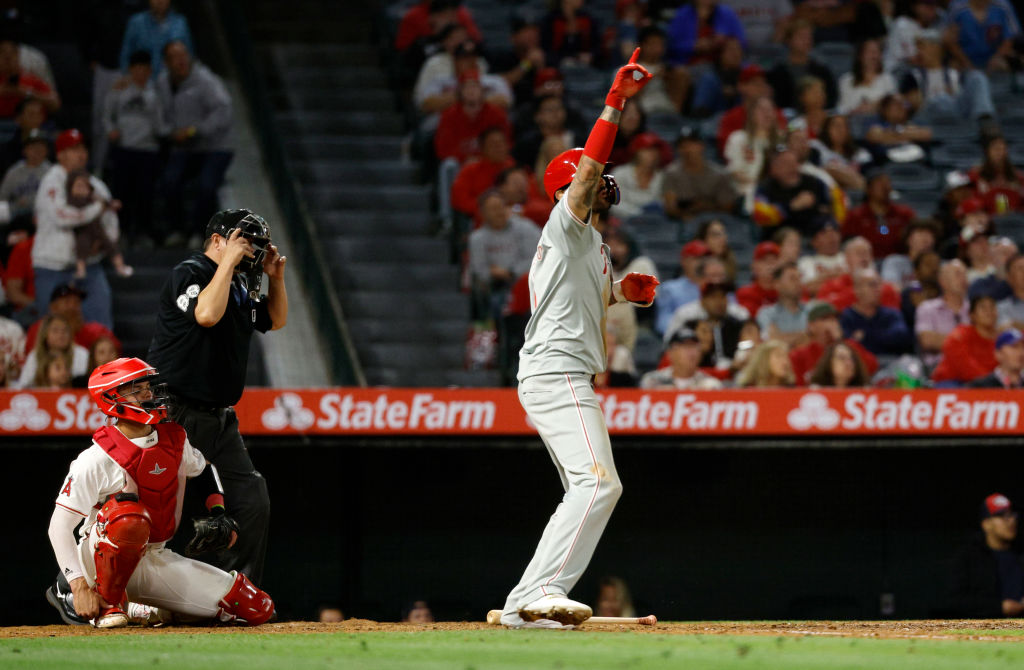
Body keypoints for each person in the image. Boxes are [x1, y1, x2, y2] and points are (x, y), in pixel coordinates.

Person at [499, 50, 657, 629]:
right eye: (594, 181)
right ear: (573, 188)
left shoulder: (589, 245)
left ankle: (526, 600)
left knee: (587, 488)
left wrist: (621, 294)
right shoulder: (566, 224)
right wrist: (614, 102)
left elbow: (574, 299)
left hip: (564, 373)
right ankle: (536, 592)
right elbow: (588, 171)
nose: (604, 186)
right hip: (556, 373)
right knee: (598, 483)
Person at [45, 357, 273, 628]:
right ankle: (76, 594)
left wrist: (218, 512)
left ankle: (140, 607)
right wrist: (78, 583)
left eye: (148, 386)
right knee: (128, 518)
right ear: (112, 398)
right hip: (97, 560)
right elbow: (58, 527)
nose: (148, 394)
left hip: (152, 554)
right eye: (136, 388)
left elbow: (201, 471)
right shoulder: (95, 458)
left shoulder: (174, 438)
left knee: (252, 605)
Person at [147, 209, 287, 586]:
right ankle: (134, 592)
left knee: (252, 498)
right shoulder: (190, 272)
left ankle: (235, 591)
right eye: (244, 242)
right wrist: (226, 263)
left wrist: (276, 279)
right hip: (174, 410)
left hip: (219, 417)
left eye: (255, 245)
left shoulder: (241, 284)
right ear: (217, 240)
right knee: (163, 508)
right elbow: (206, 315)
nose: (251, 252)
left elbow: (274, 320)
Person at [32, 129, 119, 330]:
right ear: (60, 154)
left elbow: (112, 223)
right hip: (52, 268)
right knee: (52, 333)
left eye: (82, 148)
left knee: (101, 331)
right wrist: (97, 208)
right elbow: (61, 216)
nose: (81, 154)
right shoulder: (51, 181)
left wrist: (103, 244)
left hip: (90, 268)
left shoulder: (96, 185)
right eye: (73, 149)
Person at [157, 41, 233, 246]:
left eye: (184, 54)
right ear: (166, 62)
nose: (181, 60)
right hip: (184, 147)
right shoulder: (163, 82)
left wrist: (195, 131)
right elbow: (159, 113)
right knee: (170, 180)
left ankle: (201, 233)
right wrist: (170, 133)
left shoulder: (205, 80)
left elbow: (224, 111)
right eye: (175, 56)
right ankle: (177, 229)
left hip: (215, 147)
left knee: (206, 186)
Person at [104, 50, 164, 245]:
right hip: (124, 149)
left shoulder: (156, 93)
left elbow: (161, 122)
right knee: (121, 192)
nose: (140, 73)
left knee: (145, 193)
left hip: (148, 150)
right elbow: (106, 115)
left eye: (144, 69)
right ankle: (120, 231)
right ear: (130, 70)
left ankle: (143, 233)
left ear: (149, 71)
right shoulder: (118, 90)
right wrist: (111, 130)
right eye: (136, 69)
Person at [467, 189, 541, 323]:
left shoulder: (525, 228)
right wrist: (496, 275)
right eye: (494, 209)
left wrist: (510, 272)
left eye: (502, 207)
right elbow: (479, 270)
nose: (499, 212)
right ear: (483, 214)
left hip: (528, 283)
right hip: (496, 287)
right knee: (498, 301)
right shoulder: (477, 239)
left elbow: (538, 257)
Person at [945, 493, 1024, 618]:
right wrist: (999, 607)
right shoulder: (968, 557)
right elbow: (955, 601)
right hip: (985, 629)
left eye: (1012, 515)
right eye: (1002, 516)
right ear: (986, 524)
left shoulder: (1020, 553)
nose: (1011, 520)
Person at [899, 31, 996, 124]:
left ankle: (984, 120)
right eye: (918, 48)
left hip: (955, 113)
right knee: (941, 100)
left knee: (977, 76)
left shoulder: (955, 74)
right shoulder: (912, 76)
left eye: (923, 47)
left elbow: (962, 101)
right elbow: (910, 105)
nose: (919, 51)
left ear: (936, 48)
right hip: (929, 116)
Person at [752, 146, 836, 237]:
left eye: (794, 162)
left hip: (814, 236)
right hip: (778, 238)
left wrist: (823, 208)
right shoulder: (765, 188)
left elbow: (834, 205)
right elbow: (762, 216)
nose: (791, 168)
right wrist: (792, 206)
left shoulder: (815, 182)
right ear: (773, 169)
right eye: (785, 164)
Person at [64, 169, 132, 281]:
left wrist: (111, 204)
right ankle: (81, 270)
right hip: (84, 231)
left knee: (111, 246)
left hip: (98, 229)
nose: (81, 189)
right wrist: (99, 207)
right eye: (78, 186)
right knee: (82, 247)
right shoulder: (72, 201)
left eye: (84, 187)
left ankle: (120, 267)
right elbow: (80, 215)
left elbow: (107, 203)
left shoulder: (94, 198)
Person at [790, 301, 879, 384]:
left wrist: (839, 342)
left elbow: (872, 366)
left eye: (834, 319)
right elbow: (797, 386)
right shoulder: (800, 355)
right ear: (811, 326)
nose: (832, 323)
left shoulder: (850, 346)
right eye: (826, 319)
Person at [662, 125, 737, 220]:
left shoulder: (720, 174)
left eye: (692, 144)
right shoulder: (671, 173)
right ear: (678, 150)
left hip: (715, 220)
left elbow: (728, 207)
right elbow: (670, 208)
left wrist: (706, 207)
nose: (688, 149)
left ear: (702, 146)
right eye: (683, 146)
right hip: (682, 221)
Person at [434, 72, 512, 163]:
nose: (471, 91)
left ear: (482, 90)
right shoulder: (448, 115)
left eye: (475, 87)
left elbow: (506, 143)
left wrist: (482, 159)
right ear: (460, 92)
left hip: (489, 161)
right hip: (460, 163)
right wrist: (464, 159)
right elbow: (443, 149)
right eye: (467, 87)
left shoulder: (496, 113)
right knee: (449, 164)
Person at [725, 96, 782, 213]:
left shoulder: (782, 142)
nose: (767, 114)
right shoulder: (738, 138)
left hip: (777, 192)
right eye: (762, 110)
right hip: (744, 193)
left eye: (770, 110)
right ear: (751, 114)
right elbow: (733, 172)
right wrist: (757, 183)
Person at [843, 171, 917, 259]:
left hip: (898, 261)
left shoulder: (904, 214)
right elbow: (845, 243)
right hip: (866, 262)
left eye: (887, 183)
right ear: (868, 189)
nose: (885, 187)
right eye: (879, 183)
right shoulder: (855, 216)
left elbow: (916, 239)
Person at [767, 19, 838, 112]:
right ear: (789, 40)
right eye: (801, 36)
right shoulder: (778, 72)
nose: (807, 41)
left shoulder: (822, 70)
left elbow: (831, 98)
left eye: (809, 37)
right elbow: (776, 101)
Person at [840, 268, 913, 356]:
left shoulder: (892, 314)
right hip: (862, 366)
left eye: (879, 285)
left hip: (893, 364)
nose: (878, 289)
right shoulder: (847, 316)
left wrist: (865, 336)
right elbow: (850, 348)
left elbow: (902, 339)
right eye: (872, 285)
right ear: (857, 289)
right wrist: (884, 337)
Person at [817, 236, 902, 311]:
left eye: (866, 253)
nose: (863, 257)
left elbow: (892, 314)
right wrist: (861, 292)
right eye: (858, 253)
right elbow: (823, 310)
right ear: (847, 259)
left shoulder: (887, 288)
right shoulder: (830, 286)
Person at [931, 294, 999, 384]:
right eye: (983, 308)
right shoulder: (961, 334)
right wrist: (990, 382)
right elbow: (963, 365)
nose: (989, 312)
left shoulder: (1002, 340)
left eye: (992, 307)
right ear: (972, 315)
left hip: (986, 385)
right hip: (953, 380)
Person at [450, 128, 516, 219]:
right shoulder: (469, 170)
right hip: (481, 218)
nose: (499, 148)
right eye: (494, 145)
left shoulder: (513, 167)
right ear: (482, 148)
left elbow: (525, 196)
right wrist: (487, 208)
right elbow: (459, 200)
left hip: (513, 216)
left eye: (502, 143)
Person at [916, 259, 970, 367]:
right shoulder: (927, 308)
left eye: (965, 274)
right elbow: (927, 341)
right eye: (957, 274)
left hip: (974, 367)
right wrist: (970, 343)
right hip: (940, 367)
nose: (963, 279)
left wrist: (942, 340)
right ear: (943, 281)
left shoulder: (975, 309)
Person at [119, 0, 194, 77]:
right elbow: (125, 56)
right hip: (143, 82)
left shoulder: (180, 23)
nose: (160, 1)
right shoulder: (136, 23)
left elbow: (190, 54)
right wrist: (126, 77)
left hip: (173, 81)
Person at [655, 241, 713, 335]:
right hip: (685, 340)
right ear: (684, 261)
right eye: (697, 258)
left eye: (705, 258)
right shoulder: (670, 289)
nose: (702, 262)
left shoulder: (717, 287)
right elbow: (662, 323)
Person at [944, 0, 1021, 71]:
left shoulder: (1003, 5)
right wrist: (966, 63)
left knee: (1004, 64)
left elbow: (1010, 38)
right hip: (963, 58)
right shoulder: (957, 7)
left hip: (994, 57)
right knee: (953, 67)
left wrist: (996, 58)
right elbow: (949, 40)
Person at [17, 314, 89, 389]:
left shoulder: (82, 353)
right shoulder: (35, 355)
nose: (61, 335)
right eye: (55, 331)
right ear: (45, 334)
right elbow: (23, 387)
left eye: (65, 330)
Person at [640, 326, 724, 389]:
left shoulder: (711, 385)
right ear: (670, 353)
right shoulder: (653, 381)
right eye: (686, 346)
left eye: (695, 347)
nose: (692, 352)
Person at [666, 0, 747, 65]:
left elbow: (741, 42)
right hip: (688, 63)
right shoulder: (682, 15)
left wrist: (724, 41)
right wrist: (694, 46)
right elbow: (672, 46)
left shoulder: (727, 13)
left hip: (720, 63)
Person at [0, 39, 60, 119]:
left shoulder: (30, 80)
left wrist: (27, 93)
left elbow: (55, 104)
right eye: (2, 53)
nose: (8, 58)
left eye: (12, 53)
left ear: (18, 56)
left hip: (31, 127)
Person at [613, 132, 666, 218]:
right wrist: (638, 213)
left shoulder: (662, 177)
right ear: (636, 152)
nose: (652, 154)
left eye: (655, 150)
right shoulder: (620, 173)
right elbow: (613, 203)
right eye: (647, 150)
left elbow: (664, 205)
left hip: (653, 223)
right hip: (622, 223)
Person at [837, 39, 896, 115]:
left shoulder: (888, 79)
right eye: (870, 52)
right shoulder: (846, 80)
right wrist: (856, 110)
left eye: (877, 52)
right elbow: (841, 108)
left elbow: (893, 106)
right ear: (860, 56)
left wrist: (875, 106)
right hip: (853, 121)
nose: (874, 56)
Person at [0, 128, 49, 219]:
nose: (37, 150)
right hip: (18, 218)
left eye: (40, 146)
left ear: (46, 150)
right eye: (32, 147)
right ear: (25, 150)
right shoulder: (14, 172)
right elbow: (2, 199)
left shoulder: (52, 171)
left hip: (45, 216)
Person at [811, 114, 870, 190]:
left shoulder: (860, 154)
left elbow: (868, 178)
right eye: (836, 126)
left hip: (855, 192)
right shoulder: (817, 147)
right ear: (826, 129)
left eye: (844, 127)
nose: (841, 130)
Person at [969, 135, 1024, 215]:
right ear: (987, 152)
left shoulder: (1018, 176)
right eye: (996, 149)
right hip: (986, 218)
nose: (1000, 153)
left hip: (1014, 220)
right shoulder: (975, 175)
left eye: (1003, 149)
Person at [690, 37, 744, 118]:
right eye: (731, 50)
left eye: (738, 49)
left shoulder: (745, 74)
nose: (736, 53)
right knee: (709, 80)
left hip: (741, 119)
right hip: (713, 119)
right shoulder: (710, 74)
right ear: (721, 54)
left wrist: (736, 91)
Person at [757, 261, 808, 346]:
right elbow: (771, 343)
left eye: (799, 278)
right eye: (792, 278)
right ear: (777, 284)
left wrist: (781, 337)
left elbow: (816, 342)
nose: (798, 282)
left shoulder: (811, 310)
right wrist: (805, 335)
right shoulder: (766, 313)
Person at [881, 219, 941, 288]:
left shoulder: (941, 265)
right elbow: (890, 287)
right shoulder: (894, 262)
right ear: (909, 239)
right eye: (920, 232)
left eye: (930, 234)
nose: (925, 237)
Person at [541, 0, 603, 67]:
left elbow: (597, 46)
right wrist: (561, 60)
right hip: (557, 66)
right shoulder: (551, 20)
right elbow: (545, 49)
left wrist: (591, 56)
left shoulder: (587, 19)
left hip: (585, 66)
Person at [798, 218, 846, 294]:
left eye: (834, 231)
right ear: (813, 241)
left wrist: (823, 279)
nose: (831, 236)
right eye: (824, 233)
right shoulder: (805, 263)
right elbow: (804, 289)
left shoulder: (849, 257)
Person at [736, 241, 780, 317]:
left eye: (774, 260)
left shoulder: (786, 293)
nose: (770, 265)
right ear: (754, 266)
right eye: (765, 261)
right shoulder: (744, 294)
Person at [997, 254, 1024, 331]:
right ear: (1009, 277)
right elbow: (1005, 331)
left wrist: (1015, 324)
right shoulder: (1001, 308)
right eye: (1020, 269)